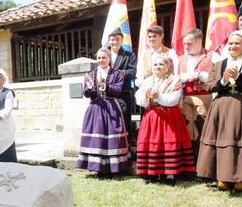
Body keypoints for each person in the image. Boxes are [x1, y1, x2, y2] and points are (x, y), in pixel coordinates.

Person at [135, 56, 195, 185]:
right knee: (153, 143)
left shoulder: (175, 80)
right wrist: (146, 96)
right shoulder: (147, 81)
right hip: (152, 116)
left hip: (169, 117)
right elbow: (138, 97)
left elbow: (173, 99)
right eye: (155, 64)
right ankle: (153, 173)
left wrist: (159, 96)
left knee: (169, 143)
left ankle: (170, 174)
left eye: (161, 64)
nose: (157, 66)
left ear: (168, 67)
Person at [197, 30, 242, 191]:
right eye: (230, 43)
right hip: (220, 108)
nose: (233, 46)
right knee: (222, 140)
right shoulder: (218, 64)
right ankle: (222, 176)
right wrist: (223, 80)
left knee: (239, 140)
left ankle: (241, 177)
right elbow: (209, 85)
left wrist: (239, 78)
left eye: (237, 43)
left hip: (241, 107)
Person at [76, 48, 130, 177]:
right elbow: (87, 94)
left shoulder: (117, 74)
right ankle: (98, 168)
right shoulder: (91, 74)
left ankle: (113, 168)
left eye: (104, 57)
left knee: (111, 136)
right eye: (99, 58)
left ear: (109, 58)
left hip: (111, 107)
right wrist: (89, 86)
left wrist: (104, 85)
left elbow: (117, 91)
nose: (101, 60)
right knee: (98, 137)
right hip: (95, 108)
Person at [177, 28, 215, 162]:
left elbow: (215, 76)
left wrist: (200, 75)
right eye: (185, 44)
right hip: (186, 96)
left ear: (199, 41)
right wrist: (187, 77)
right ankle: (189, 163)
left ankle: (204, 162)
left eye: (189, 43)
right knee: (187, 128)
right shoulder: (181, 59)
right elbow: (176, 77)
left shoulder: (211, 55)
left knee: (203, 126)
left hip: (204, 96)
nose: (186, 47)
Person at [107, 28, 137, 137]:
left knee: (124, 119)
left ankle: (126, 145)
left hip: (123, 93)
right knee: (109, 120)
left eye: (117, 39)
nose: (114, 42)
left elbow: (133, 71)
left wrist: (118, 73)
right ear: (109, 41)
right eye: (112, 39)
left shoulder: (129, 55)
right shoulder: (105, 55)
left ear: (122, 40)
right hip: (107, 93)